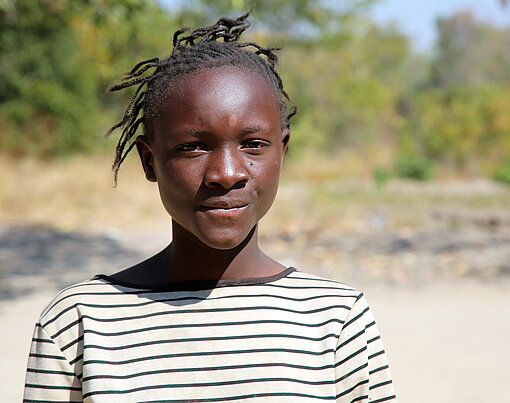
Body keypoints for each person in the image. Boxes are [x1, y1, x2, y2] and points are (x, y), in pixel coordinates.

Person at [24, 12, 396, 402]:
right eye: (193, 147)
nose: (227, 173)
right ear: (150, 161)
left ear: (281, 152)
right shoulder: (79, 322)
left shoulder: (334, 318)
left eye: (253, 144)